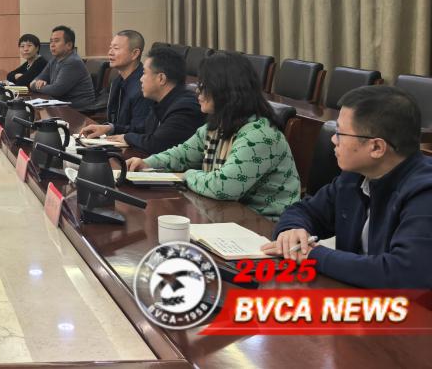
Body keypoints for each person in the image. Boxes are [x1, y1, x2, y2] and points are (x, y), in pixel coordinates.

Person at [262, 86, 432, 288]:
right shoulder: (355, 175)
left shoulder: (425, 193)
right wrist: (292, 230)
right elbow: (305, 210)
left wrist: (313, 254)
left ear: (377, 147)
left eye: (340, 133)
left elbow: (404, 273)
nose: (333, 139)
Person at [127, 51, 300, 218]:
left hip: (266, 224)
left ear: (224, 89)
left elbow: (223, 186)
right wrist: (147, 163)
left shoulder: (259, 134)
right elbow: (183, 154)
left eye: (204, 85)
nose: (197, 91)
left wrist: (186, 175)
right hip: (228, 215)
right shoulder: (218, 124)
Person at [118, 45, 205, 154]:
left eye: (144, 73)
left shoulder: (185, 108)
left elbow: (156, 144)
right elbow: (143, 130)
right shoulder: (162, 101)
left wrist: (127, 137)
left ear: (161, 78)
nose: (141, 79)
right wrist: (111, 129)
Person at [80, 30, 151, 138]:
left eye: (116, 48)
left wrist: (110, 128)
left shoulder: (144, 86)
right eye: (110, 48)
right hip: (116, 140)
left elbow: (140, 131)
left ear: (135, 54)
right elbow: (114, 121)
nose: (110, 52)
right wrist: (106, 128)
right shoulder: (117, 81)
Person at [29, 25, 97, 112]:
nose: (52, 45)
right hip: (62, 105)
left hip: (78, 109)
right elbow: (35, 81)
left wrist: (38, 86)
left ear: (69, 45)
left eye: (56, 41)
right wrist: (36, 83)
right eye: (51, 41)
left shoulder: (72, 62)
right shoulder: (54, 60)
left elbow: (56, 90)